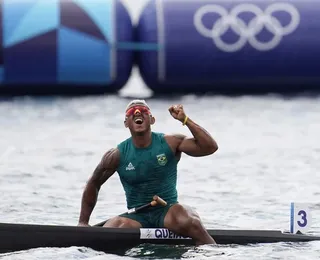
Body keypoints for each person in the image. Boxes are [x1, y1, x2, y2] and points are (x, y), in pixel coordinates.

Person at [78, 99, 218, 245]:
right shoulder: (116, 155)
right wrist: (83, 222)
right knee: (112, 229)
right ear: (126, 123)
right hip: (137, 217)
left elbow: (209, 147)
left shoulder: (171, 142)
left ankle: (211, 249)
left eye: (143, 111)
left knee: (187, 220)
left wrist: (185, 120)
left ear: (152, 120)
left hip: (168, 211)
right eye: (132, 112)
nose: (137, 112)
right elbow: (94, 183)